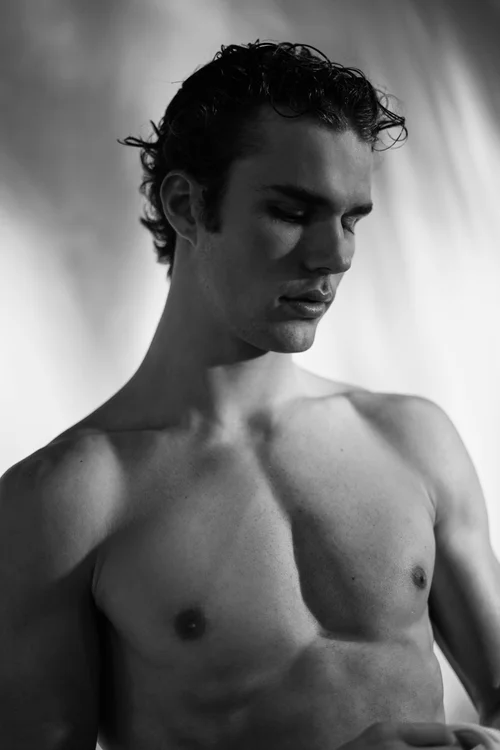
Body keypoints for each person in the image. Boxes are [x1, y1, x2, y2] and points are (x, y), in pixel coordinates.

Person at [1, 39, 499, 750]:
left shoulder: (414, 440)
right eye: (292, 211)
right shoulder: (64, 502)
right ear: (187, 205)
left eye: (352, 218)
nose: (335, 255)